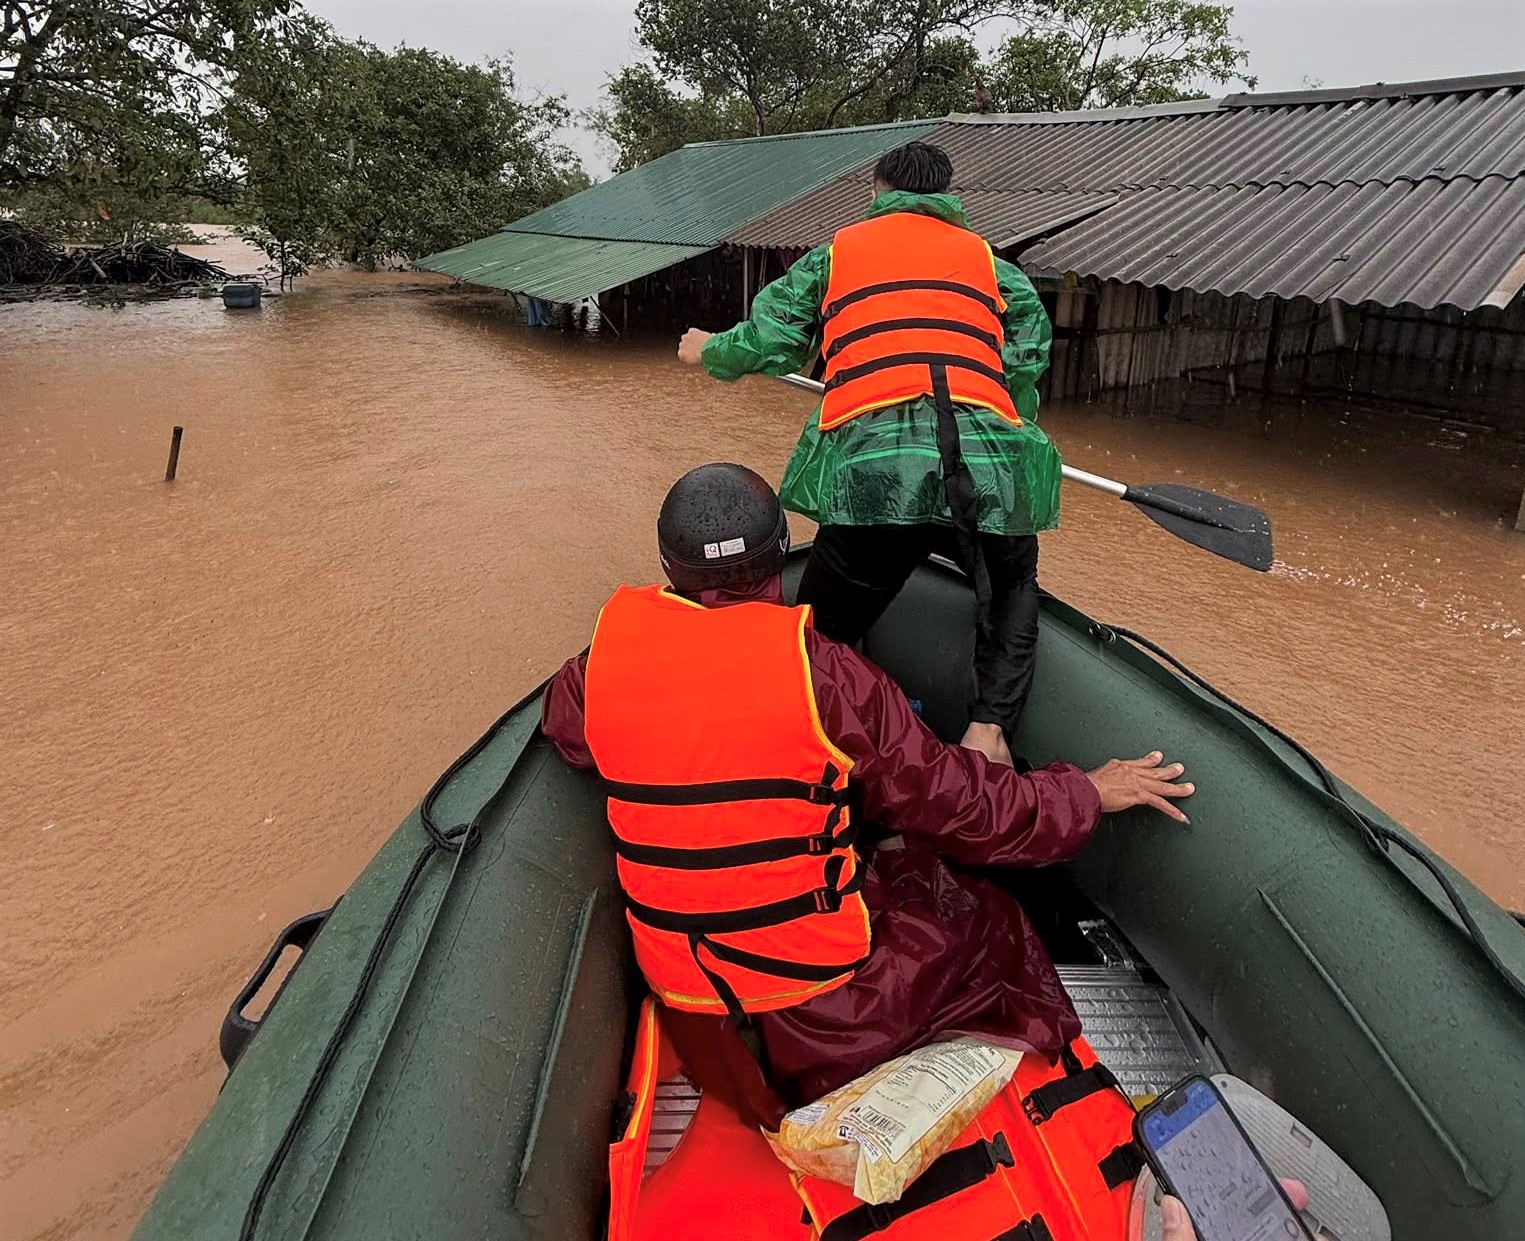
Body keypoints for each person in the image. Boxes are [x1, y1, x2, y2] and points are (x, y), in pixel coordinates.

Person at [541, 463, 1193, 1121]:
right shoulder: (829, 676)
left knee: (879, 856)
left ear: (669, 568)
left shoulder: (600, 666)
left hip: (699, 1027)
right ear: (776, 558)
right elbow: (961, 807)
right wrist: (1080, 791)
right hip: (816, 1031)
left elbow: (570, 731)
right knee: (984, 915)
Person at [677, 141, 1063, 768]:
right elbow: (1026, 359)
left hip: (876, 476)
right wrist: (998, 433)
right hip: (990, 463)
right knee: (1015, 581)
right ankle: (988, 731)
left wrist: (709, 350)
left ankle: (830, 734)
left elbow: (771, 340)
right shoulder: (995, 267)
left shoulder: (838, 253)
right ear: (948, 199)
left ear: (878, 192)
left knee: (823, 634)